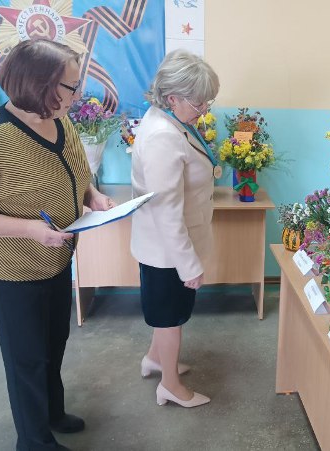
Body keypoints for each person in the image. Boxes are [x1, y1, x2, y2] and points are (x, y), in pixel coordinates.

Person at [0, 39, 115, 451]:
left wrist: (93, 196)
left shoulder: (60, 121)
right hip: (11, 274)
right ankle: (33, 442)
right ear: (39, 85)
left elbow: (77, 171)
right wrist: (32, 230)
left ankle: (51, 413)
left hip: (55, 261)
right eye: (71, 86)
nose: (78, 94)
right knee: (27, 359)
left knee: (53, 346)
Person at [130, 49, 220, 408]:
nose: (205, 109)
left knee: (168, 314)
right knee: (170, 319)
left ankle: (155, 359)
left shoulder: (169, 121)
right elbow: (166, 210)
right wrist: (189, 265)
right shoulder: (162, 137)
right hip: (168, 251)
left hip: (169, 244)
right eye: (199, 102)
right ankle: (169, 385)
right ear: (172, 98)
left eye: (208, 100)